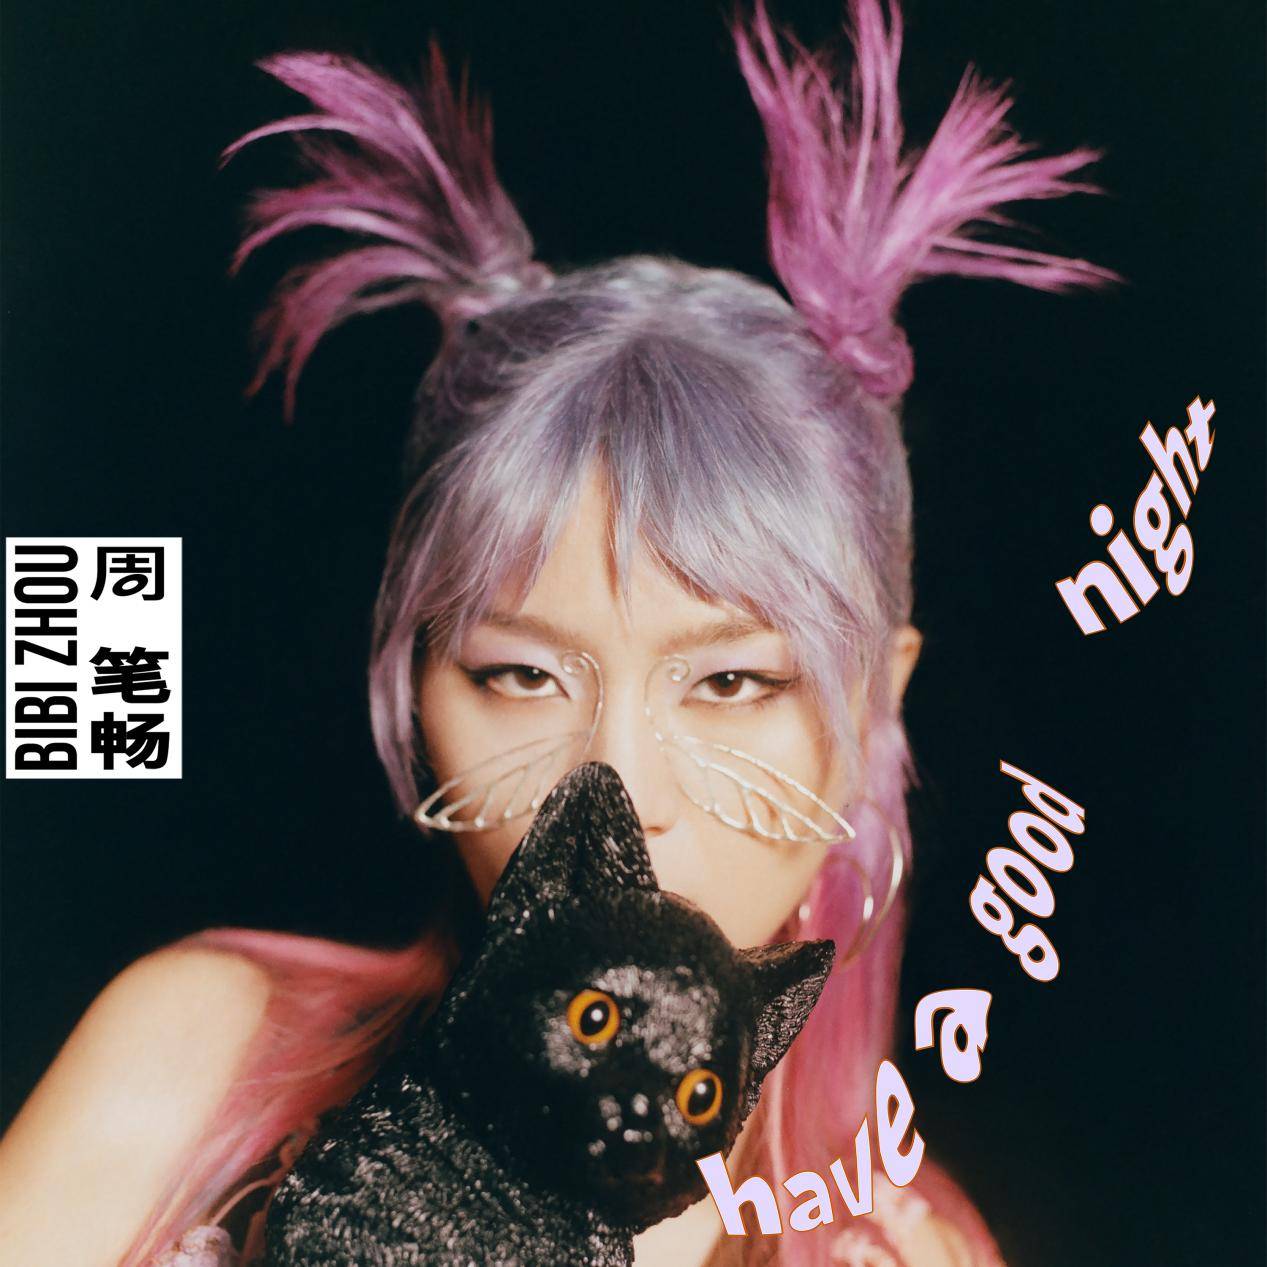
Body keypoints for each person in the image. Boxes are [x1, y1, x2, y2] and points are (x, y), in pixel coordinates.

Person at [0, 1, 1116, 1263]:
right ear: (416, 683)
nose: (616, 793)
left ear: (871, 706)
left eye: (731, 682)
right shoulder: (202, 1065)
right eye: (520, 673)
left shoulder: (909, 1250)